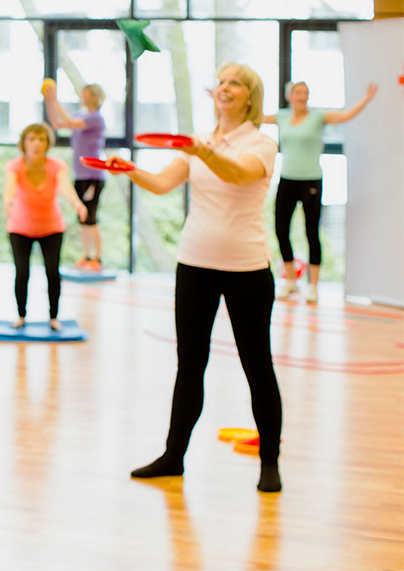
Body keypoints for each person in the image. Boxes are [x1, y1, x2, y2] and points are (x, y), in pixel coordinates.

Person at [105, 62, 283, 493]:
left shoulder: (261, 144)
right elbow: (165, 183)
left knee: (257, 367)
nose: (225, 88)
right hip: (195, 264)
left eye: (235, 83)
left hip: (247, 269)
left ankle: (269, 464)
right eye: (221, 82)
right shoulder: (198, 142)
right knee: (190, 366)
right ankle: (173, 456)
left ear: (250, 97)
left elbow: (238, 174)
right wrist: (129, 170)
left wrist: (203, 152)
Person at [263, 81, 379, 303]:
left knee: (311, 232)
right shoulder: (282, 117)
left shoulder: (318, 116)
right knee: (280, 230)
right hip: (287, 179)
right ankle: (290, 282)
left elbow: (345, 116)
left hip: (311, 181)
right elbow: (253, 117)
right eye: (298, 92)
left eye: (306, 92)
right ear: (290, 96)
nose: (303, 96)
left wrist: (366, 99)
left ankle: (313, 286)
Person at [3, 123, 87, 331]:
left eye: (41, 139)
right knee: (22, 273)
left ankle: (53, 318)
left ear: (48, 143)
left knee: (52, 272)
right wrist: (8, 202)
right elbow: (10, 189)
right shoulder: (15, 165)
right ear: (24, 143)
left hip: (52, 227)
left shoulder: (56, 165)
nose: (37, 144)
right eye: (32, 139)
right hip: (20, 228)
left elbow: (65, 187)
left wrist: (77, 203)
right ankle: (21, 316)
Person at [43, 80, 108, 270]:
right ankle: (87, 256)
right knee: (81, 217)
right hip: (80, 174)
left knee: (91, 217)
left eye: (86, 93)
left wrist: (55, 100)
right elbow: (58, 123)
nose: (82, 95)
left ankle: (98, 258)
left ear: (94, 97)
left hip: (93, 175)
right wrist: (49, 102)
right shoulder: (82, 115)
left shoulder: (96, 118)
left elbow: (70, 122)